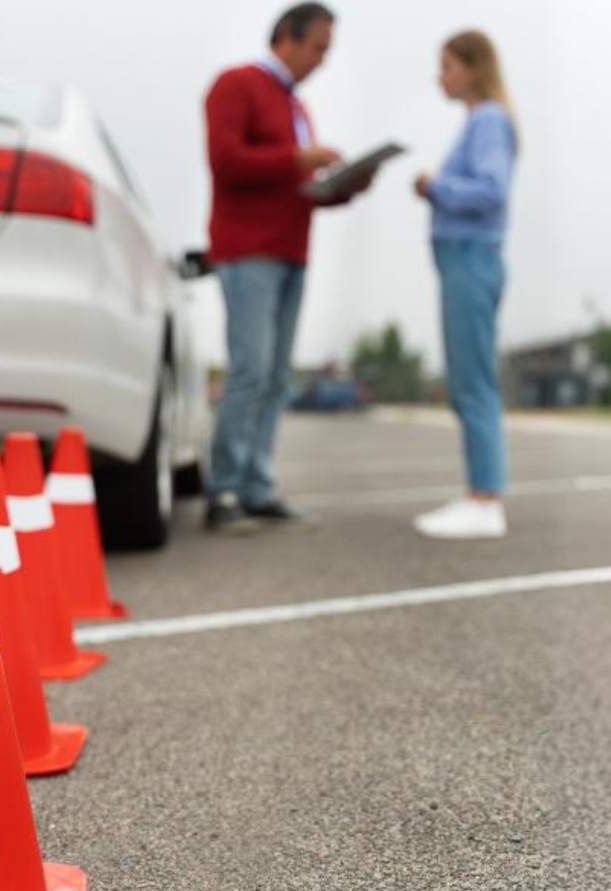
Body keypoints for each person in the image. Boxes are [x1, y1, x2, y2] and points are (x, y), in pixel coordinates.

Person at [201, 2, 371, 533]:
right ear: (287, 39)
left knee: (276, 378)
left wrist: (344, 186)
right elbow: (226, 161)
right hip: (248, 251)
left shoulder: (297, 107)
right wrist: (296, 160)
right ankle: (224, 490)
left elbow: (293, 187)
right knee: (249, 372)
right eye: (318, 48)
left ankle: (256, 485)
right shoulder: (236, 85)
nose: (322, 61)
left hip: (292, 251)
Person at [412, 29, 519, 540]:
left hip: (471, 259)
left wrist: (437, 187)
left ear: (475, 68)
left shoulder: (489, 121)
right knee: (467, 381)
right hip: (463, 260)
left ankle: (485, 499)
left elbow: (491, 191)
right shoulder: (480, 123)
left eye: (448, 65)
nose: (441, 77)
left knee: (473, 383)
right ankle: (480, 491)